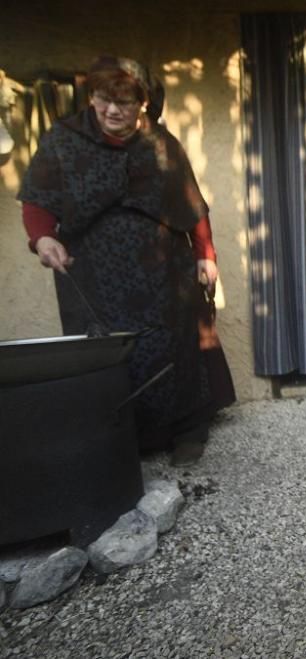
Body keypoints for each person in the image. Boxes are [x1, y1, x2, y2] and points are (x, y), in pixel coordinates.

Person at [18, 56, 235, 466]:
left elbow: (192, 205)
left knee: (175, 346)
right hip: (94, 273)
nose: (113, 111)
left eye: (125, 103)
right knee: (107, 352)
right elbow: (37, 201)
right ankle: (121, 439)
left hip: (164, 271)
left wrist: (206, 255)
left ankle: (186, 430)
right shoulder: (62, 141)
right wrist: (43, 238)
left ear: (143, 103)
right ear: (92, 97)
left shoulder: (161, 143)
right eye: (103, 99)